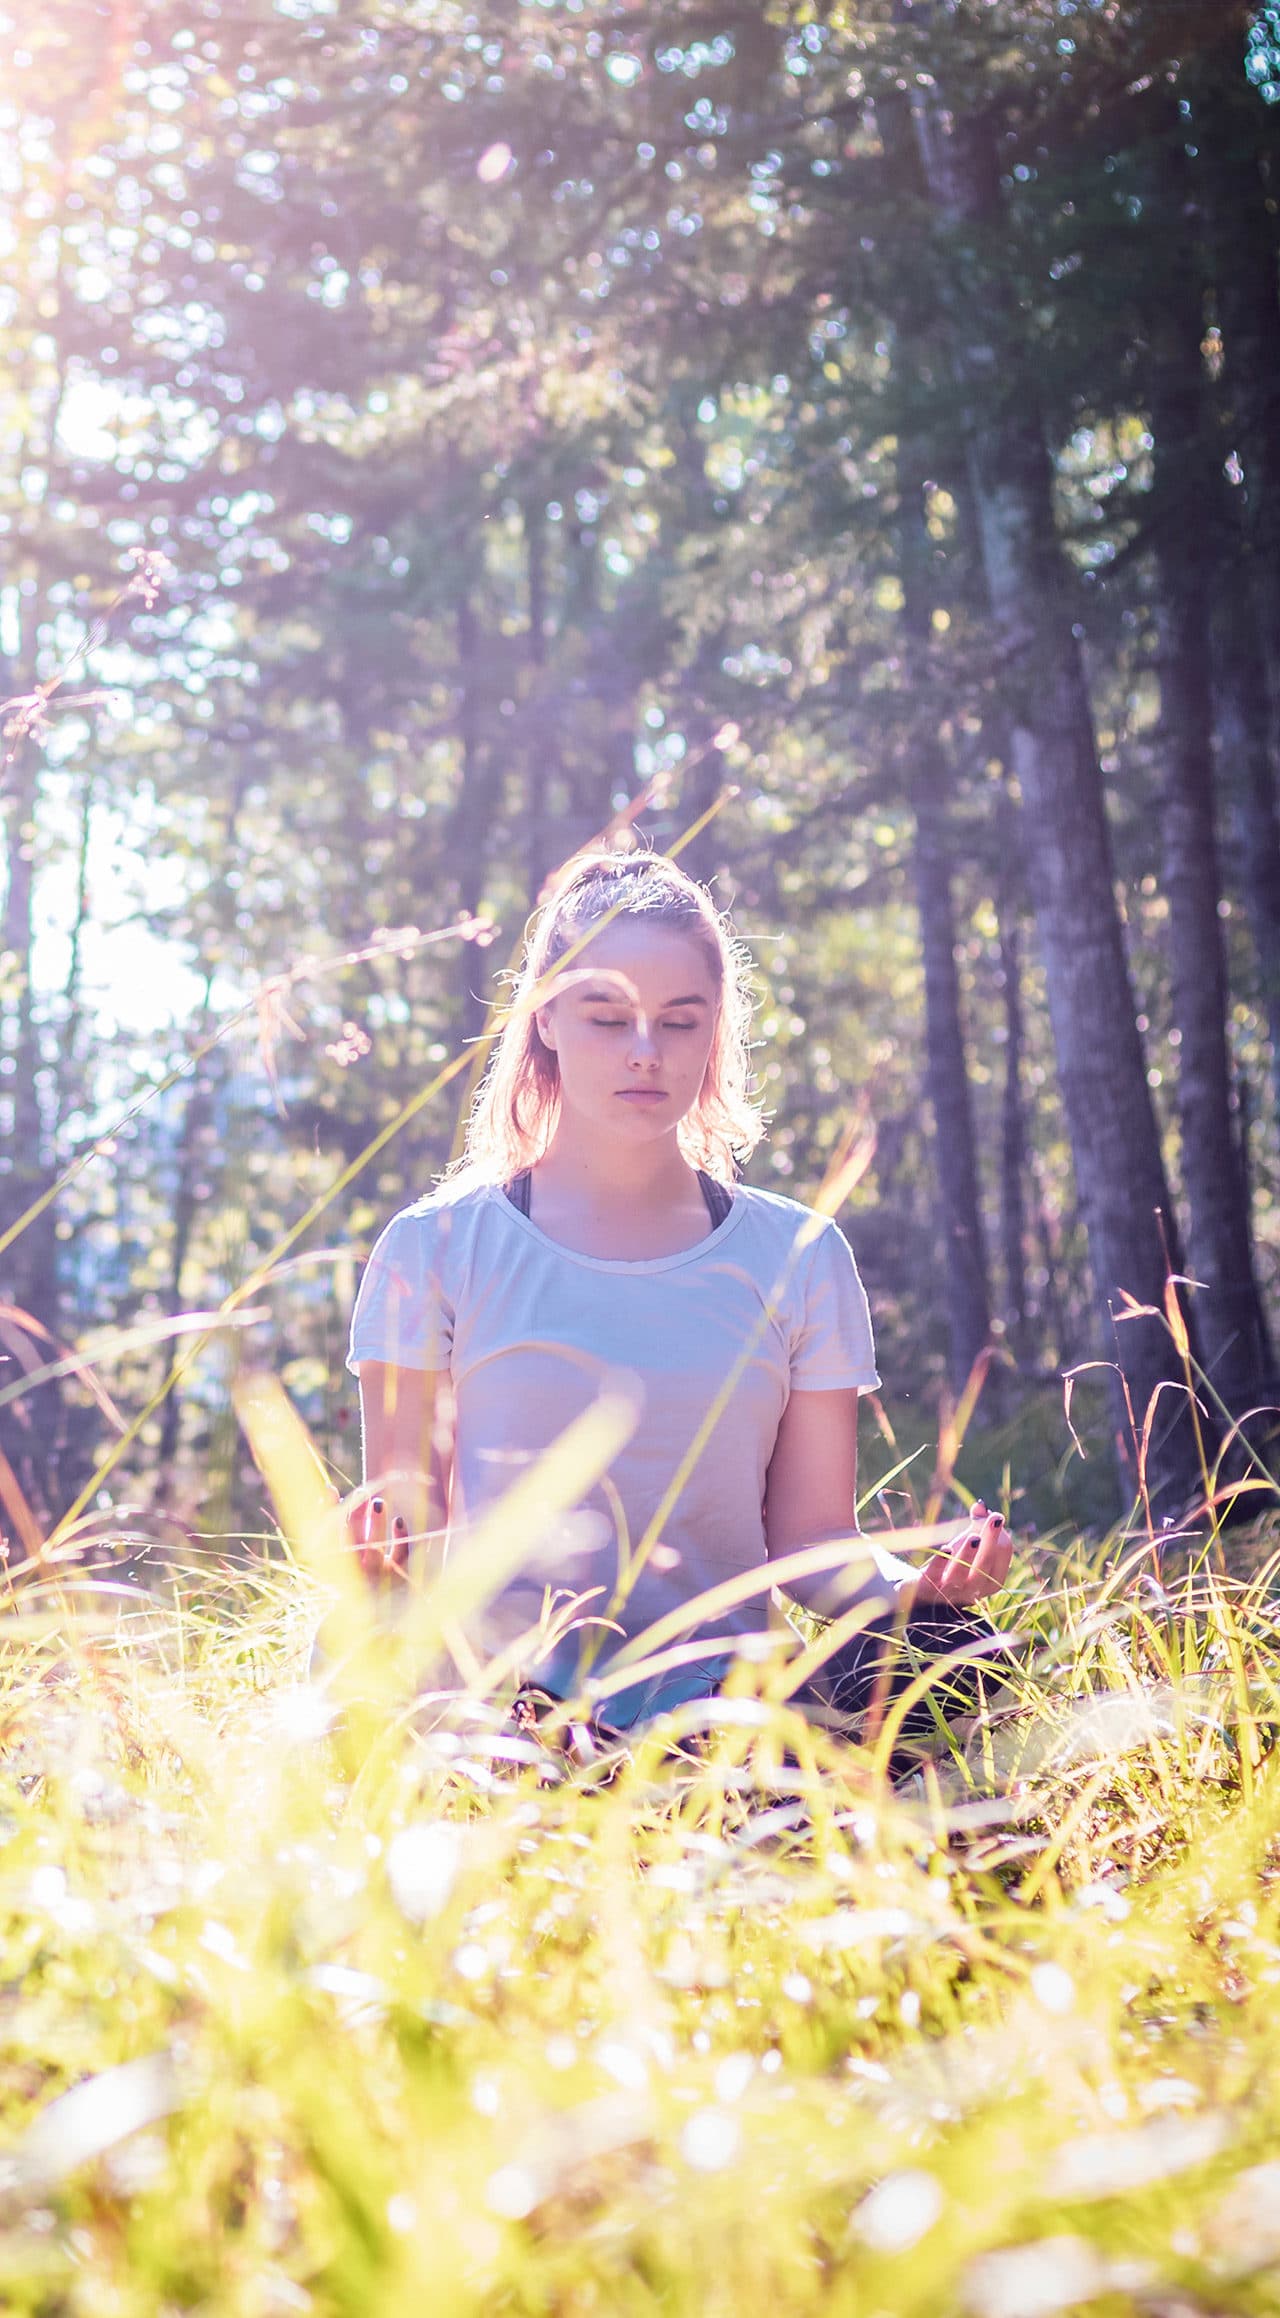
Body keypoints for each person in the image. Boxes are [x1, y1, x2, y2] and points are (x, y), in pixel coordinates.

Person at [343, 849, 1012, 1740]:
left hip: (719, 1698)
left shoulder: (799, 1255)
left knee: (958, 1653)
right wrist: (374, 1555)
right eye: (609, 1018)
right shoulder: (433, 1247)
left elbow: (812, 1543)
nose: (646, 1053)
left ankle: (749, 1779)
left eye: (679, 1021)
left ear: (715, 1033)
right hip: (502, 1703)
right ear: (546, 1019)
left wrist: (915, 1588)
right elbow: (407, 1534)